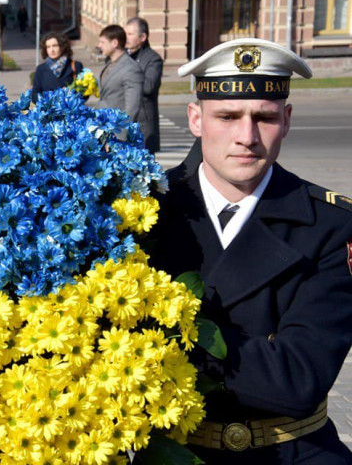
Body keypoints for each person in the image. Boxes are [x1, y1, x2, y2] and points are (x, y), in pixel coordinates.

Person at [148, 38, 352, 464]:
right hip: (172, 452)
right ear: (195, 119)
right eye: (227, 115)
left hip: (293, 451)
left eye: (264, 117)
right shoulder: (145, 212)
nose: (247, 137)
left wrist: (157, 340)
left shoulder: (331, 224)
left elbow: (298, 379)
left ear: (288, 119)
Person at [125, 17, 163, 153]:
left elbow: (148, 86)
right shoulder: (123, 57)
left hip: (143, 125)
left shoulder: (153, 59)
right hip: (124, 122)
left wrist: (127, 75)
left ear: (143, 37)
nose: (126, 38)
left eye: (130, 34)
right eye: (125, 34)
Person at [96, 24, 143, 121]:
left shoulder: (130, 68)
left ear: (114, 43)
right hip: (104, 128)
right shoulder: (109, 64)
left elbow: (132, 108)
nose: (99, 45)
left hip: (118, 130)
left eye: (102, 42)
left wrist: (123, 133)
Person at [31, 31, 83, 103]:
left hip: (70, 111)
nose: (52, 50)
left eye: (55, 46)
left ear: (62, 47)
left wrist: (71, 99)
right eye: (48, 47)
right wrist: (47, 103)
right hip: (48, 111)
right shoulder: (41, 69)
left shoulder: (75, 66)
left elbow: (84, 92)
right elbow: (35, 94)